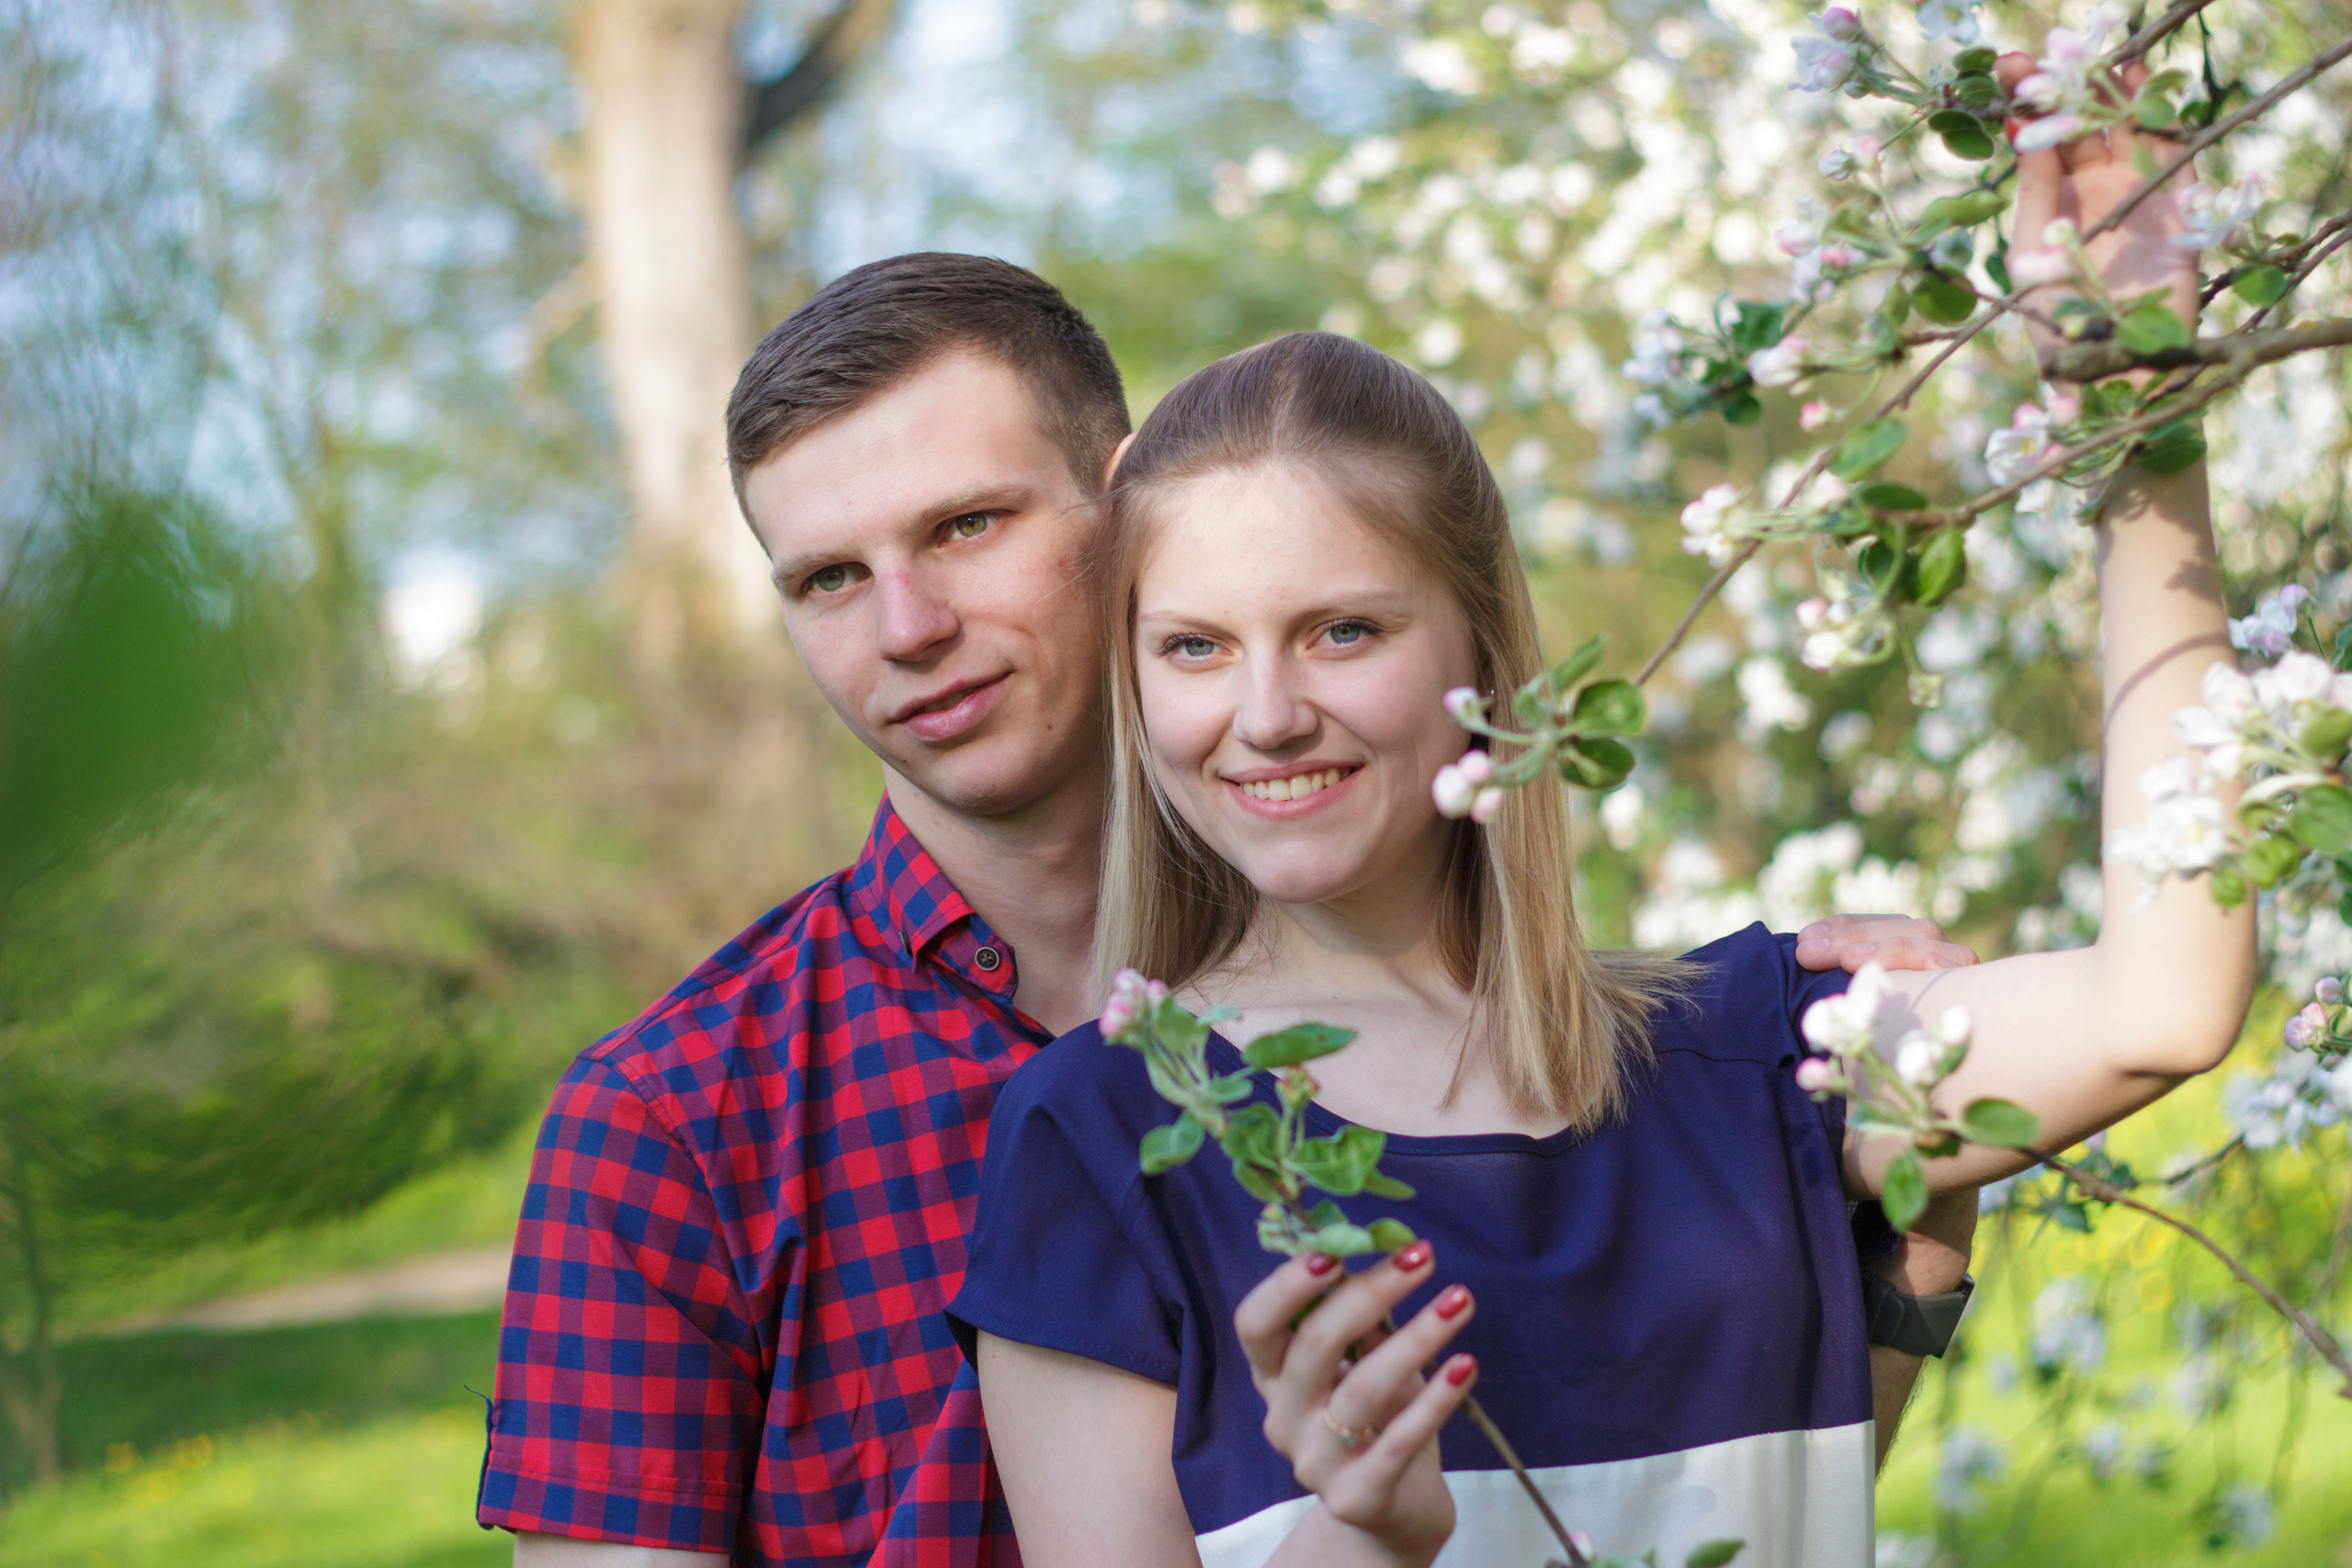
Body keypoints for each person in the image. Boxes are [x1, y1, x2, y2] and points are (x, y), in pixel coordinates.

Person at [477, 254, 1977, 1567]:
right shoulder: (675, 1120)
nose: (908, 628)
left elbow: (1685, 1497)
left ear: (1134, 500)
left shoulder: (1502, 1027)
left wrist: (1854, 1227)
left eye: (967, 526)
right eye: (826, 579)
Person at [949, 71, 2250, 1568]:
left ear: (1483, 654)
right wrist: (1364, 1537)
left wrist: (2142, 430)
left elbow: (2163, 1007)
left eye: (1343, 631)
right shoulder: (1102, 1143)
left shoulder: (1756, 1054)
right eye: (1192, 647)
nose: (1265, 713)